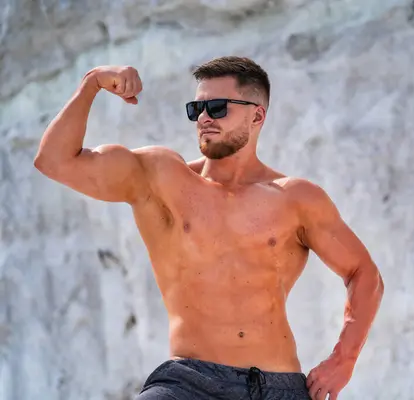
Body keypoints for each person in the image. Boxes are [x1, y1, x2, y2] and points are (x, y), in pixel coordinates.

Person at [34, 56, 384, 400]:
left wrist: (344, 360)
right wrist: (92, 83)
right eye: (196, 109)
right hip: (188, 383)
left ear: (257, 115)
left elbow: (363, 272)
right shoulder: (160, 177)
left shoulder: (297, 198)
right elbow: (54, 161)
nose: (204, 118)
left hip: (278, 387)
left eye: (217, 107)